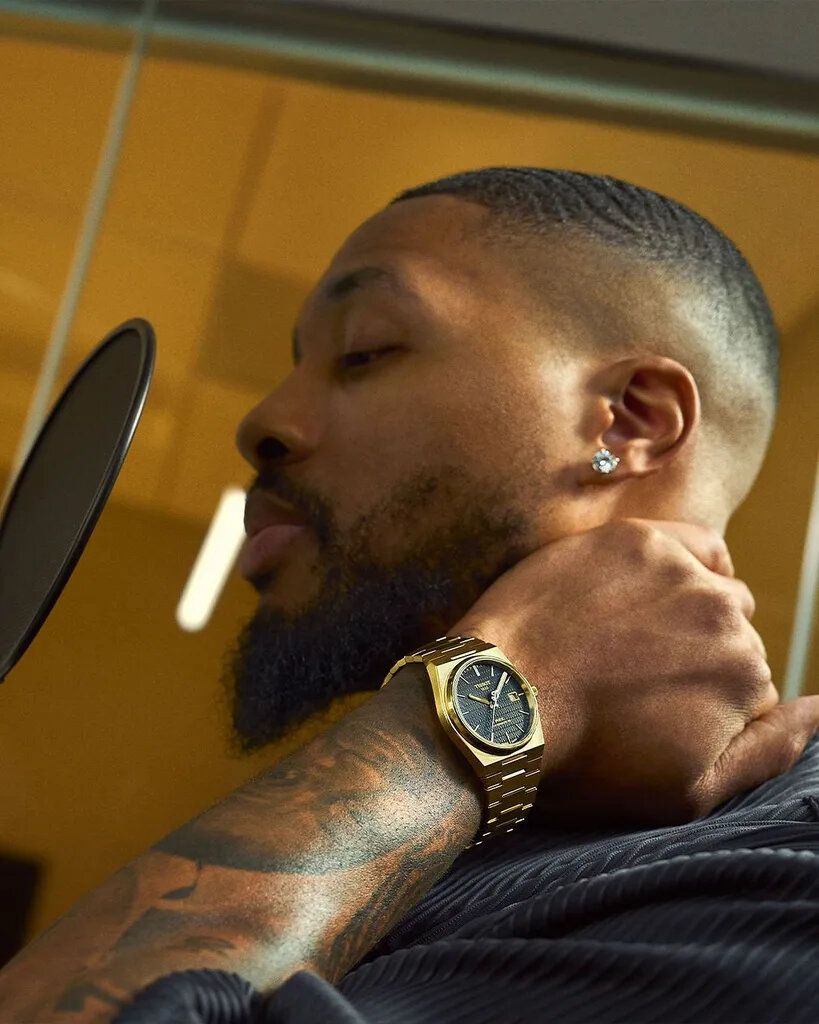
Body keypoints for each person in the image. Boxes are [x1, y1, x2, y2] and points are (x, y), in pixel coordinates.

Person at [1, 167, 817, 1023]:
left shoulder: (781, 880)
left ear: (627, 421)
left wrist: (490, 693)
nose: (262, 421)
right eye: (296, 364)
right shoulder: (439, 844)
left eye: (364, 351)